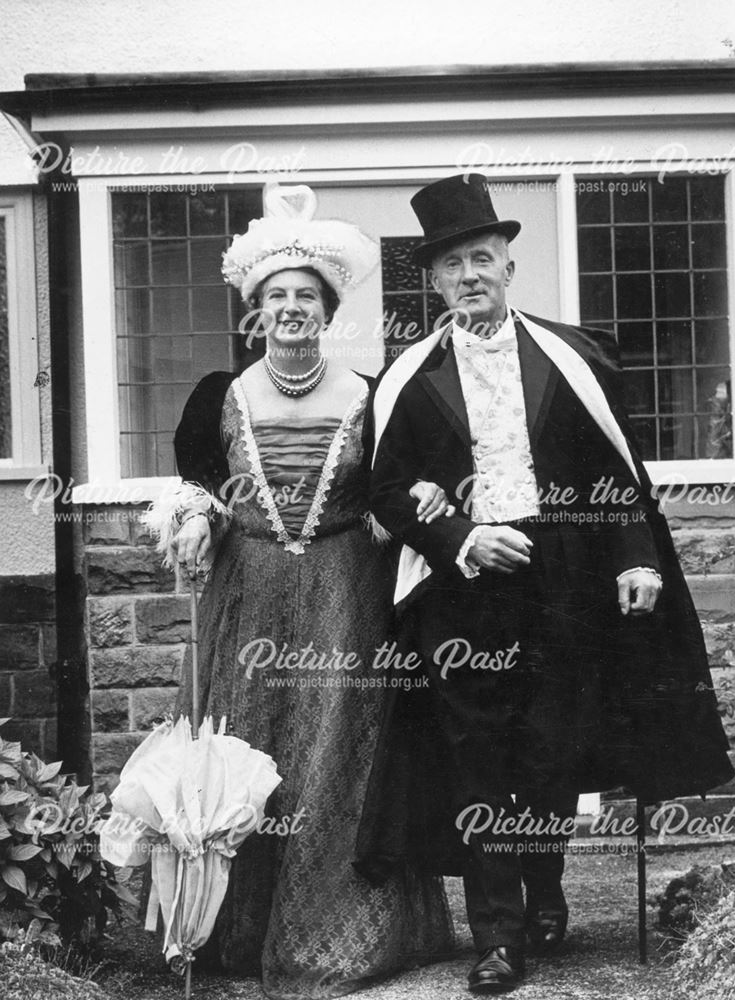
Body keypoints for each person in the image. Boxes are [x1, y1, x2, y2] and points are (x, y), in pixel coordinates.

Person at [355, 173, 735, 994]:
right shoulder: (407, 376)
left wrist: (636, 557)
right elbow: (384, 491)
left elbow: (618, 471)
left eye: (481, 258)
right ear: (433, 280)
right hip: (463, 589)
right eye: (452, 265)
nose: (469, 277)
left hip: (566, 576)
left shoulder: (576, 356)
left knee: (553, 741)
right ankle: (496, 934)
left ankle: (546, 885)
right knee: (478, 750)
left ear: (507, 265)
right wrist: (459, 535)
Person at [156, 185, 455, 999]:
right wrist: (190, 519)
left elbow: (403, 483)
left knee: (335, 747)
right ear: (255, 309)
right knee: (244, 744)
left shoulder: (372, 392)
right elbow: (199, 486)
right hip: (246, 589)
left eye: (306, 297)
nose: (290, 309)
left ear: (327, 309)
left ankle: (336, 934)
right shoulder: (218, 396)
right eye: (275, 297)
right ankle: (233, 933)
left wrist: (418, 505)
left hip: (343, 588)